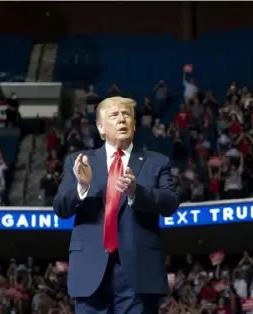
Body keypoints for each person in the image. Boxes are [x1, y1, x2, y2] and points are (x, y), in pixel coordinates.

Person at [53, 96, 179, 314]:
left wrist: (136, 192)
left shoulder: (157, 162)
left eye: (127, 115)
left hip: (139, 271)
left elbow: (170, 203)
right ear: (101, 128)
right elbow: (61, 209)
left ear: (135, 125)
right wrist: (81, 187)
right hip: (90, 270)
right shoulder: (79, 161)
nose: (122, 119)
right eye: (114, 115)